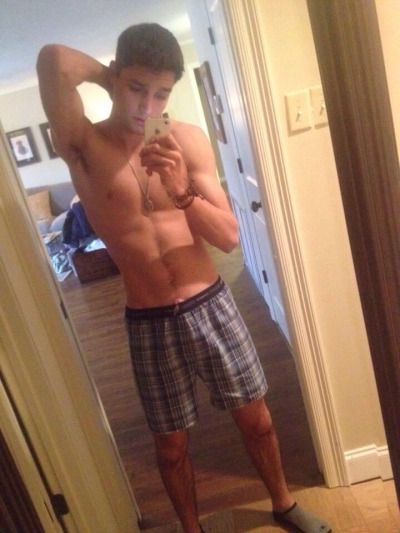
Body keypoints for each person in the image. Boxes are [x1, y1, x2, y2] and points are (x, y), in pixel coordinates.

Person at [37, 23, 331, 533]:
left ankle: (283, 503)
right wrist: (109, 80)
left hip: (211, 303)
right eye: (136, 88)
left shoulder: (186, 141)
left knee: (257, 419)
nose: (148, 107)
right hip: (148, 322)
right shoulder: (82, 145)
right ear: (116, 76)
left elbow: (229, 237)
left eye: (162, 94)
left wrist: (180, 191)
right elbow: (53, 59)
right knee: (171, 446)